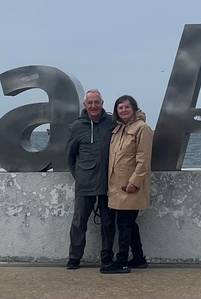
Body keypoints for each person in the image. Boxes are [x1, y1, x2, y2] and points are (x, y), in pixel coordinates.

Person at [101, 95, 153, 274]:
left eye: (126, 107)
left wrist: (135, 182)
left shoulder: (142, 128)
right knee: (129, 224)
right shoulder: (118, 130)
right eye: (120, 108)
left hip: (131, 187)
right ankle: (139, 258)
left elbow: (143, 159)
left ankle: (121, 261)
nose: (123, 110)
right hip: (116, 187)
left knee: (124, 223)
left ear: (134, 108)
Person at [66, 89, 116, 270]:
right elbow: (70, 158)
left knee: (108, 222)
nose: (93, 106)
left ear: (102, 104)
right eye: (90, 103)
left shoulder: (112, 122)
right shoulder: (76, 127)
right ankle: (74, 257)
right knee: (79, 222)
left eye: (97, 102)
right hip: (84, 183)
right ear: (85, 105)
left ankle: (107, 256)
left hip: (108, 182)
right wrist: (79, 176)